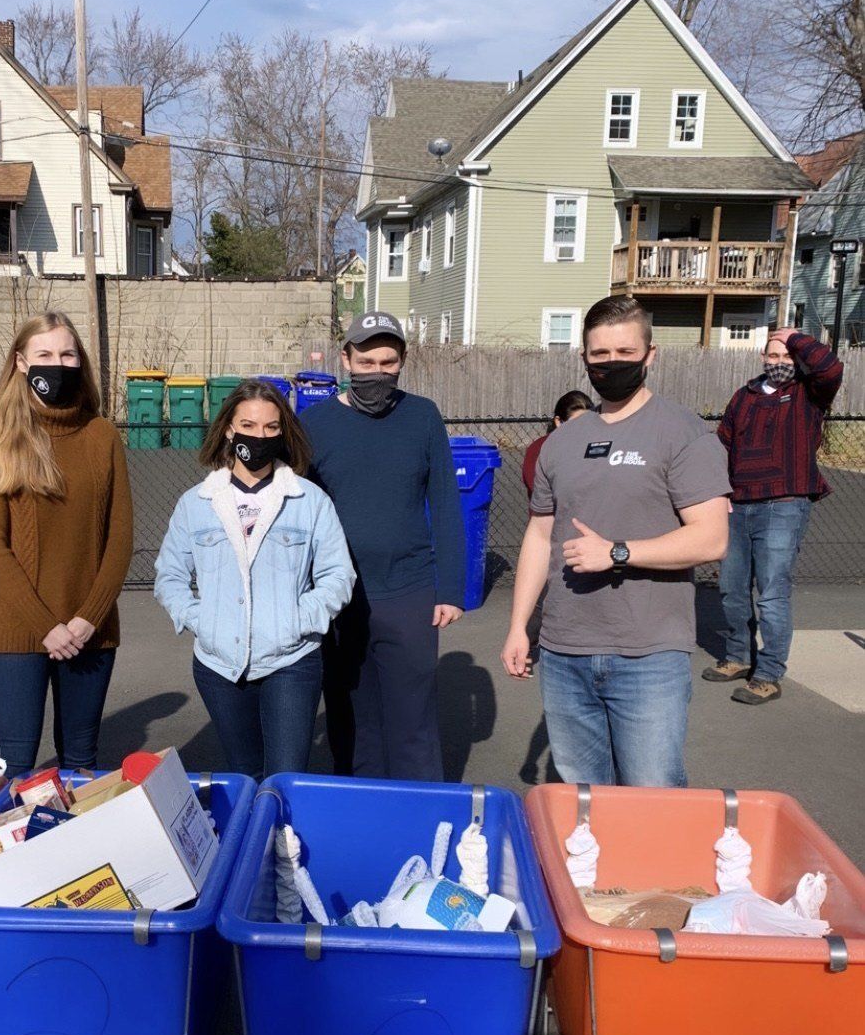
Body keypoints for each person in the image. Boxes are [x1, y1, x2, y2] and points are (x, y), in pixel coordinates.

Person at [501, 295, 730, 787]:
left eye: (625, 353)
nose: (611, 364)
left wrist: (619, 553)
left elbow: (712, 539)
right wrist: (520, 626)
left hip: (648, 653)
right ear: (583, 358)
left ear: (651, 355)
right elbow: (540, 535)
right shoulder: (561, 442)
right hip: (564, 652)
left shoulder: (684, 434)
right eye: (599, 354)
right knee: (585, 797)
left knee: (653, 794)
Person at [154, 379, 354, 782]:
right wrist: (202, 619)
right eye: (247, 425)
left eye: (270, 428)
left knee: (285, 775)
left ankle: (284, 844)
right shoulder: (196, 503)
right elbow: (170, 576)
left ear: (283, 433)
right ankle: (252, 843)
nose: (258, 436)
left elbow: (338, 574)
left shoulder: (309, 500)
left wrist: (300, 618)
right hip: (220, 666)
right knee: (244, 773)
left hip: (291, 660)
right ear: (228, 427)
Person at [302, 311, 466, 782]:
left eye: (388, 362)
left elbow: (446, 505)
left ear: (402, 363)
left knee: (412, 720)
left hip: (408, 592)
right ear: (346, 359)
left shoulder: (423, 416)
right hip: (339, 596)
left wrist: (451, 589)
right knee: (351, 720)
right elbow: (298, 514)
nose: (377, 371)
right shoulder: (316, 424)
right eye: (366, 360)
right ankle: (360, 810)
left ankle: (421, 816)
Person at [0, 311, 133, 778]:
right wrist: (46, 626)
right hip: (17, 631)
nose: (56, 364)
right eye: (44, 354)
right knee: (16, 765)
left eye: (67, 353)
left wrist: (86, 619)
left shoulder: (102, 436)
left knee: (81, 764)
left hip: (90, 632)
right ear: (21, 362)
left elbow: (119, 538)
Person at [705, 325, 843, 705]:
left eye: (787, 357)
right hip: (739, 504)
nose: (779, 362)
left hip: (785, 505)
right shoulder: (744, 396)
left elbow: (829, 368)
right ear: (762, 358)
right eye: (773, 355)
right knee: (732, 589)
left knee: (771, 594)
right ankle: (738, 656)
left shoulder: (809, 393)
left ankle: (767, 673)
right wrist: (720, 495)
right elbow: (724, 445)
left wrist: (794, 336)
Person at [521, 390, 593, 496]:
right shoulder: (539, 449)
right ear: (558, 422)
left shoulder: (592, 446)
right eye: (576, 424)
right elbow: (538, 490)